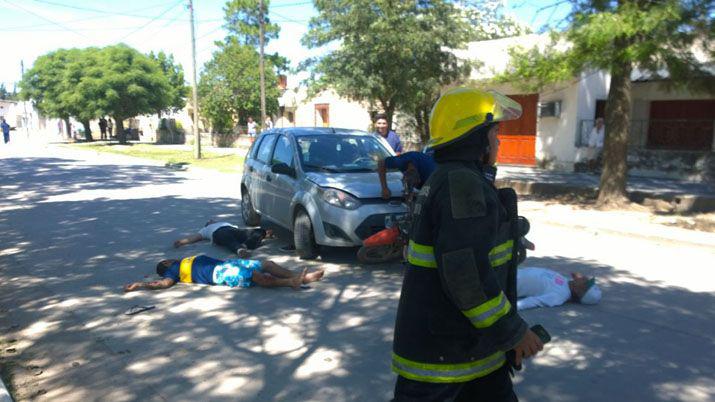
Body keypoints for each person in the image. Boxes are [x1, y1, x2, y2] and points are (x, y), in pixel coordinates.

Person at [392, 87, 543, 401]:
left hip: (471, 351)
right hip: (445, 357)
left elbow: (469, 247)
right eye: (494, 132)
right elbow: (467, 277)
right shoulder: (461, 184)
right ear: (476, 139)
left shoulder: (454, 179)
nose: (498, 140)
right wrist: (513, 333)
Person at [124, 254, 325, 292]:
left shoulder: (185, 260)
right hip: (220, 274)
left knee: (267, 264)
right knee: (259, 277)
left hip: (227, 263)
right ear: (166, 264)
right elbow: (164, 284)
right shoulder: (173, 271)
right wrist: (141, 285)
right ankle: (292, 282)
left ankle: (301, 276)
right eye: (168, 261)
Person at [173, 220, 273, 258]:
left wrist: (263, 233)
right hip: (219, 234)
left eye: (211, 220)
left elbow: (244, 232)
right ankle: (240, 250)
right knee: (227, 238)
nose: (210, 221)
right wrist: (182, 242)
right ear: (207, 224)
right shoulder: (205, 230)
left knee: (258, 231)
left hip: (234, 230)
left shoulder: (225, 223)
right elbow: (194, 238)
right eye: (208, 221)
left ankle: (246, 244)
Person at [517, 267, 602, 311]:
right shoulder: (567, 283)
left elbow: (535, 301)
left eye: (586, 282)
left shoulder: (560, 296)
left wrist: (512, 309)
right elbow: (575, 274)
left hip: (509, 282)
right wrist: (577, 279)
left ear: (578, 291)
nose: (586, 278)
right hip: (513, 272)